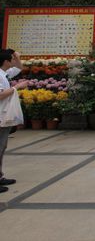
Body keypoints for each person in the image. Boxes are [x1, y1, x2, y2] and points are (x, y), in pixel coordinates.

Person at [0, 49, 28, 194]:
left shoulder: (4, 73)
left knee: (2, 147)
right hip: (1, 116)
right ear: (6, 61)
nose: (13, 61)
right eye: (11, 59)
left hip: (4, 116)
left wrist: (17, 57)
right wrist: (16, 87)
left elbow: (19, 68)